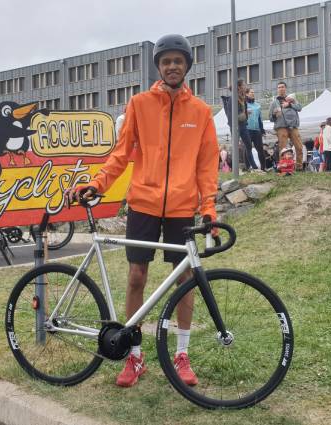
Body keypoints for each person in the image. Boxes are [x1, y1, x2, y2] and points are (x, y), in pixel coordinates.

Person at [65, 34, 218, 388]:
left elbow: (207, 166)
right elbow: (121, 153)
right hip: (143, 204)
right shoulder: (139, 104)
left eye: (178, 61)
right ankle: (134, 357)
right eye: (166, 61)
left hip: (181, 206)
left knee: (185, 279)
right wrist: (98, 184)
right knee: (137, 277)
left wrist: (208, 206)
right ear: (159, 67)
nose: (172, 66)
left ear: (187, 66)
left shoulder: (201, 113)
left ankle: (182, 354)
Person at [269, 81, 303, 171]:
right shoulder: (274, 102)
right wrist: (274, 114)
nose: (281, 88)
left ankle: (299, 167)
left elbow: (300, 107)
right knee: (282, 148)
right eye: (279, 87)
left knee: (299, 147)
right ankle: (283, 167)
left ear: (285, 88)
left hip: (293, 126)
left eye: (282, 87)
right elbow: (270, 118)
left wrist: (290, 105)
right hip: (281, 126)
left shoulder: (291, 99)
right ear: (277, 89)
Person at [221, 80, 253, 171]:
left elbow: (243, 113)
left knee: (248, 145)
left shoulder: (243, 98)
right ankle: (235, 169)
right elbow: (233, 116)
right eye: (244, 84)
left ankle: (251, 166)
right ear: (239, 87)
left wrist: (245, 114)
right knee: (235, 147)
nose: (245, 86)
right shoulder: (233, 98)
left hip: (243, 125)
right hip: (235, 126)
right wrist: (245, 114)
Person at [245, 88, 266, 171]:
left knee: (260, 149)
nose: (253, 94)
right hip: (247, 129)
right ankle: (248, 168)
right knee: (248, 148)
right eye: (251, 92)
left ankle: (263, 168)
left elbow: (260, 118)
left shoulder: (258, 105)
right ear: (246, 94)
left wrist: (262, 129)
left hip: (257, 130)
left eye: (254, 92)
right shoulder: (243, 104)